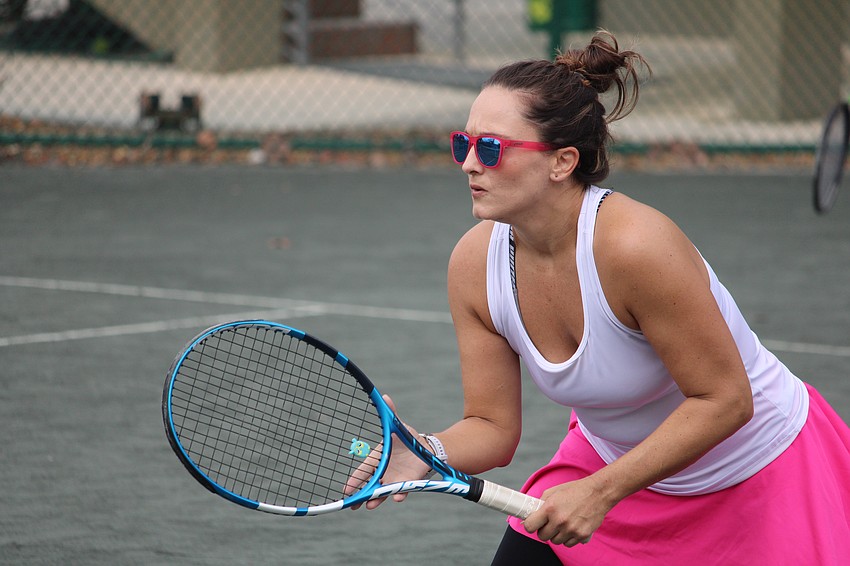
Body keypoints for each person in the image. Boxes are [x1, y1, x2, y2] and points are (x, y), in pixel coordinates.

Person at [356, 31, 850, 564]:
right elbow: (493, 429)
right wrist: (429, 450)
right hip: (613, 463)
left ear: (562, 162)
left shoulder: (636, 247)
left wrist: (602, 491)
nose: (470, 163)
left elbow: (725, 400)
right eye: (463, 143)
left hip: (755, 471)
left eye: (492, 147)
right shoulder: (474, 265)